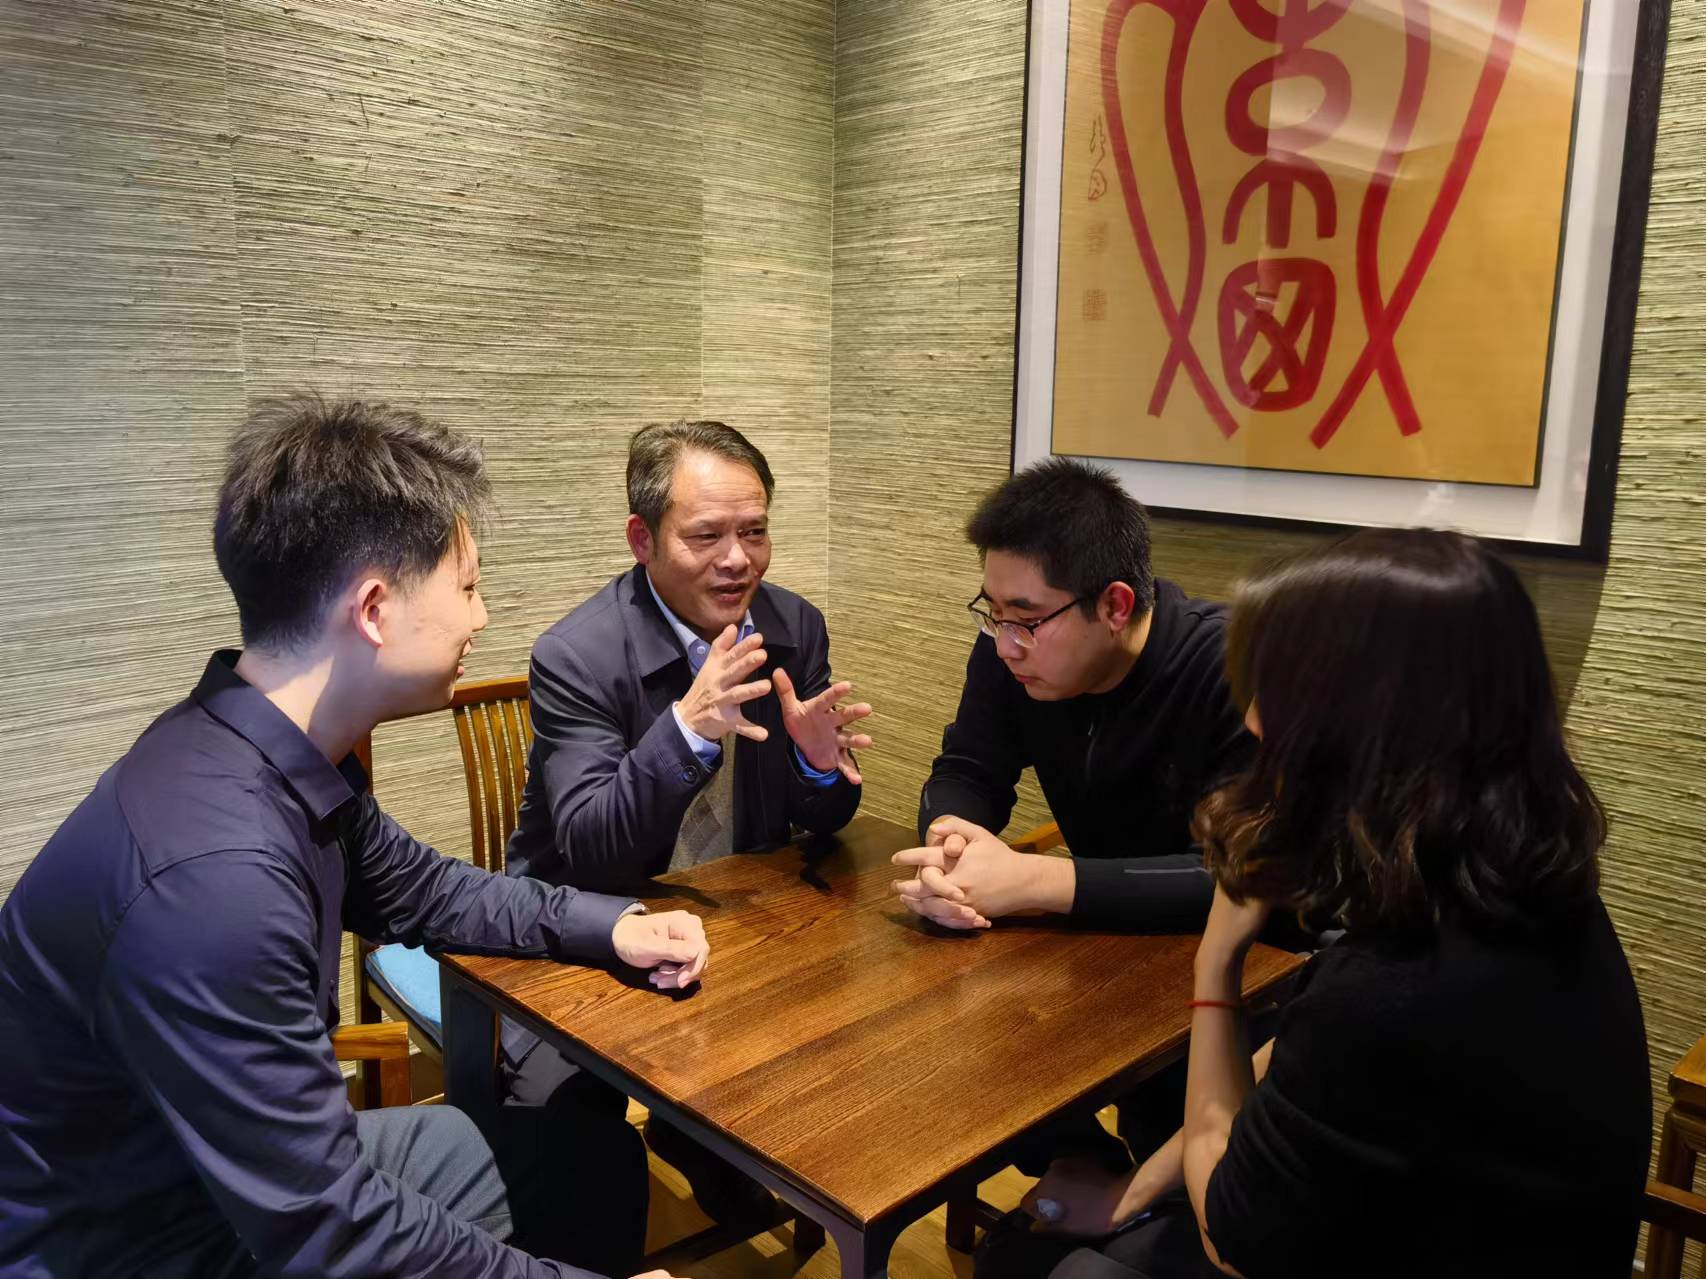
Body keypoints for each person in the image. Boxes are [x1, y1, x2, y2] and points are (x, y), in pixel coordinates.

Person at [0, 394, 703, 1279]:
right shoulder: (213, 881)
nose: (482, 618)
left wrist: (611, 924)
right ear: (374, 608)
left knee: (592, 1162)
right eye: (468, 587)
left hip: (232, 1173)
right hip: (137, 1238)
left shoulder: (277, 747)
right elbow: (331, 1232)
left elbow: (428, 889)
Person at [1022, 529, 1652, 1279]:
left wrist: (1216, 966)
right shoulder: (1525, 887)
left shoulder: (1401, 988)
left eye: (1275, 689)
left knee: (1055, 1267)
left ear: (1368, 721)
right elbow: (1303, 1072)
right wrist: (1132, 1192)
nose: (1252, 721)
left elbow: (1232, 1237)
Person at [502, 417, 871, 1226]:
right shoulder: (576, 654)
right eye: (706, 535)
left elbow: (826, 818)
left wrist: (818, 766)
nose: (738, 559)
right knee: (565, 1139)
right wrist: (685, 730)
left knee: (850, 1047)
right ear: (643, 538)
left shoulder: (793, 627)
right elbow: (593, 849)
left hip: (733, 919)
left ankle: (700, 1137)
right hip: (587, 929)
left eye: (755, 531)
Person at [892, 458, 1251, 935]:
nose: (1004, 645)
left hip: (1246, 954)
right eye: (994, 612)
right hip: (1095, 943)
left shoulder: (1237, 667)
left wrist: (1035, 880)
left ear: (1115, 606)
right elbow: (968, 769)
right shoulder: (1008, 641)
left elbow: (1244, 877)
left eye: (1027, 619)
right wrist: (948, 850)